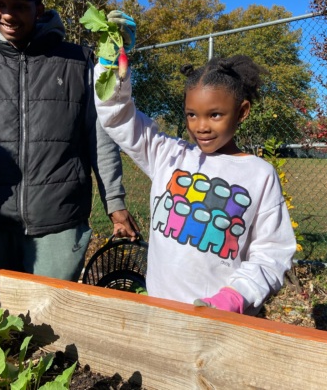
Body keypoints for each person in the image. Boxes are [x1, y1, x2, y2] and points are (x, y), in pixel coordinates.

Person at [94, 44, 297, 315]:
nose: (201, 126)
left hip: (221, 318)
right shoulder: (168, 155)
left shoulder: (259, 174)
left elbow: (272, 251)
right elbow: (118, 118)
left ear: (242, 111)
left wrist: (236, 297)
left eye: (215, 115)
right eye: (192, 114)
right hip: (161, 310)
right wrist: (110, 68)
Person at [0, 0, 138, 281]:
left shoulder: (77, 62)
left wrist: (115, 202)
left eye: (19, 5)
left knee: (49, 322)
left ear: (38, 9)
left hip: (58, 220)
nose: (7, 14)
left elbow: (100, 139)